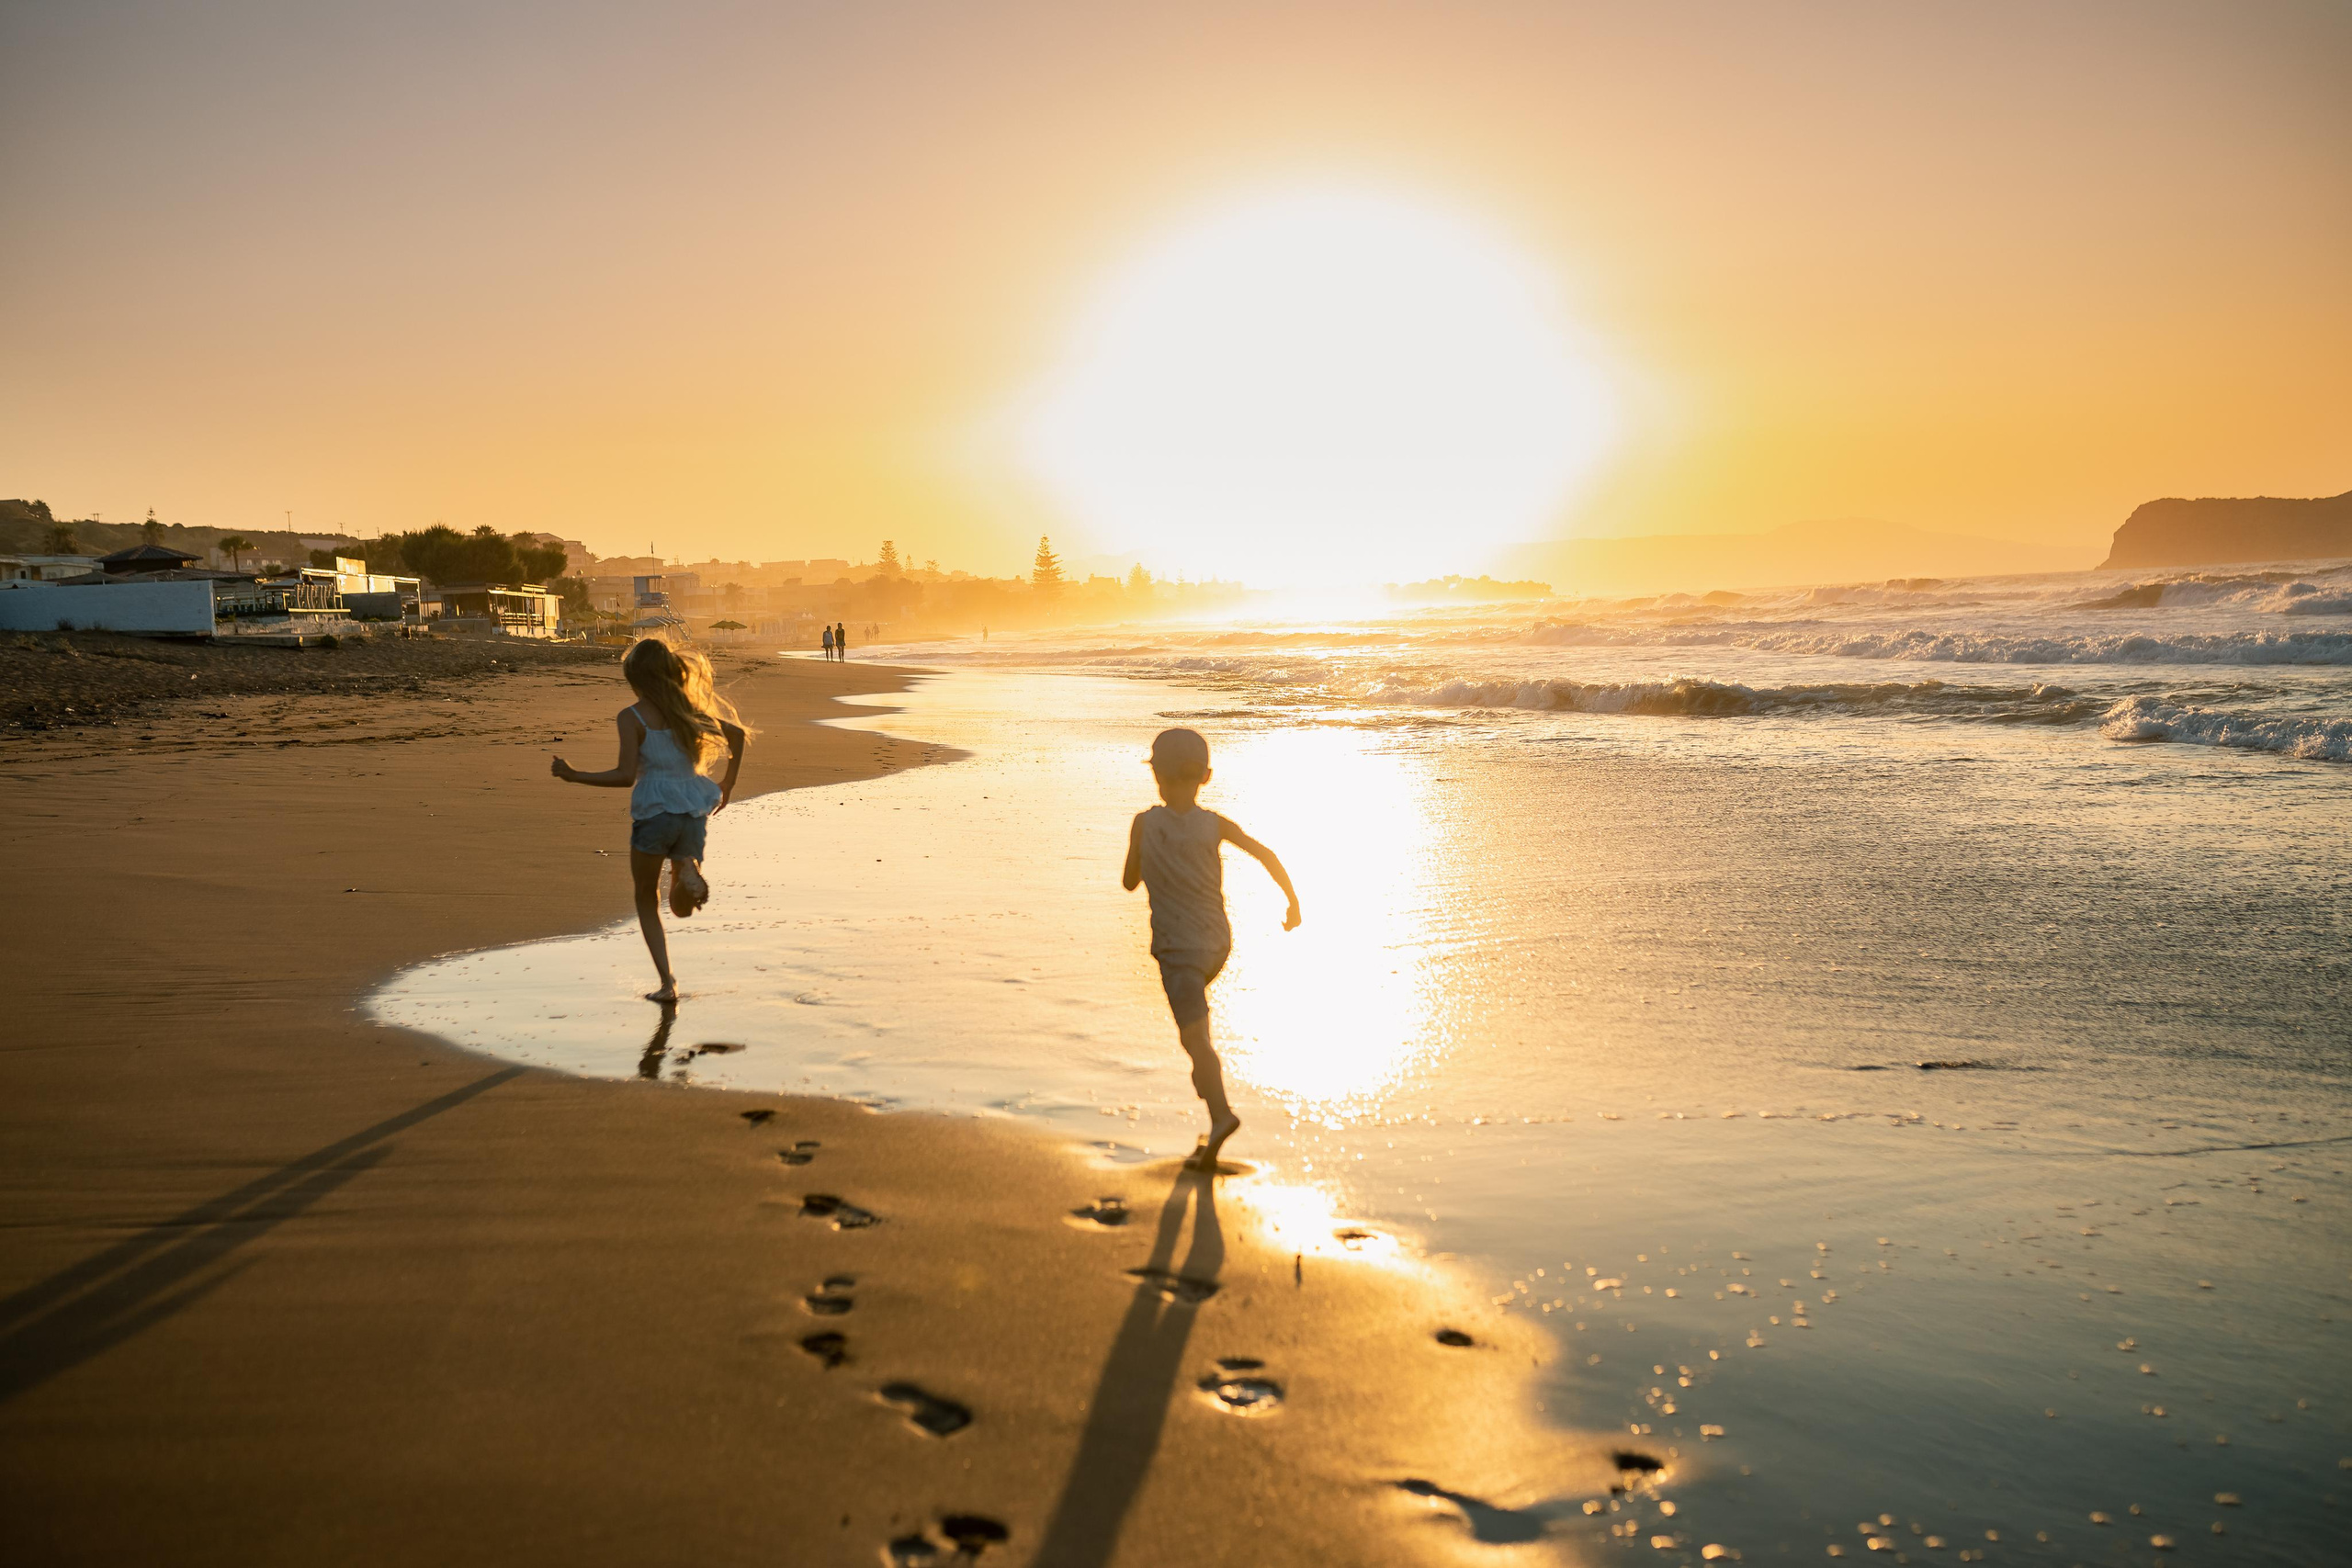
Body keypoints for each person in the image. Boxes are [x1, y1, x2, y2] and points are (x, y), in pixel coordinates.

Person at [1121, 728, 1300, 1171]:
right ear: (1206, 776)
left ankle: (1221, 1116)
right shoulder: (1215, 824)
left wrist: (1151, 854)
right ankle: (1211, 1109)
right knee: (1196, 1034)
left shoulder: (1145, 824)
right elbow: (1266, 854)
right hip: (1217, 945)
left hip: (1178, 950)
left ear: (1157, 776)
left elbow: (1129, 881)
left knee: (1195, 1038)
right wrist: (1293, 902)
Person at [551, 637, 747, 1002]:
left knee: (646, 897)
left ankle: (667, 983)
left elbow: (626, 776)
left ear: (636, 680)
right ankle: (684, 867)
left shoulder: (633, 717)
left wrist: (575, 774)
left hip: (655, 812)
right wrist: (729, 784)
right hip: (691, 811)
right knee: (680, 908)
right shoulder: (687, 712)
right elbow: (736, 735)